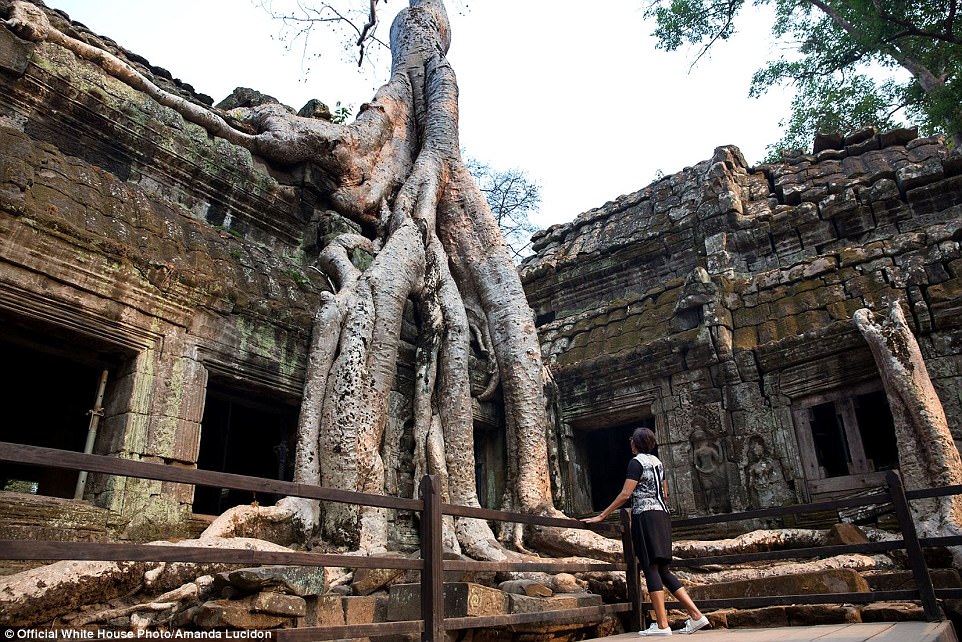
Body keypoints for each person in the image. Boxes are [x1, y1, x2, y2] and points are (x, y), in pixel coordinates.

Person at [583, 427, 710, 636]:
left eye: (632, 440)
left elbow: (625, 494)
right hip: (662, 515)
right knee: (663, 569)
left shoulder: (636, 463)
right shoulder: (658, 462)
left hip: (646, 517)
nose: (630, 443)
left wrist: (602, 515)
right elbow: (665, 492)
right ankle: (696, 615)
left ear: (635, 444)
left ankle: (662, 625)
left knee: (650, 567)